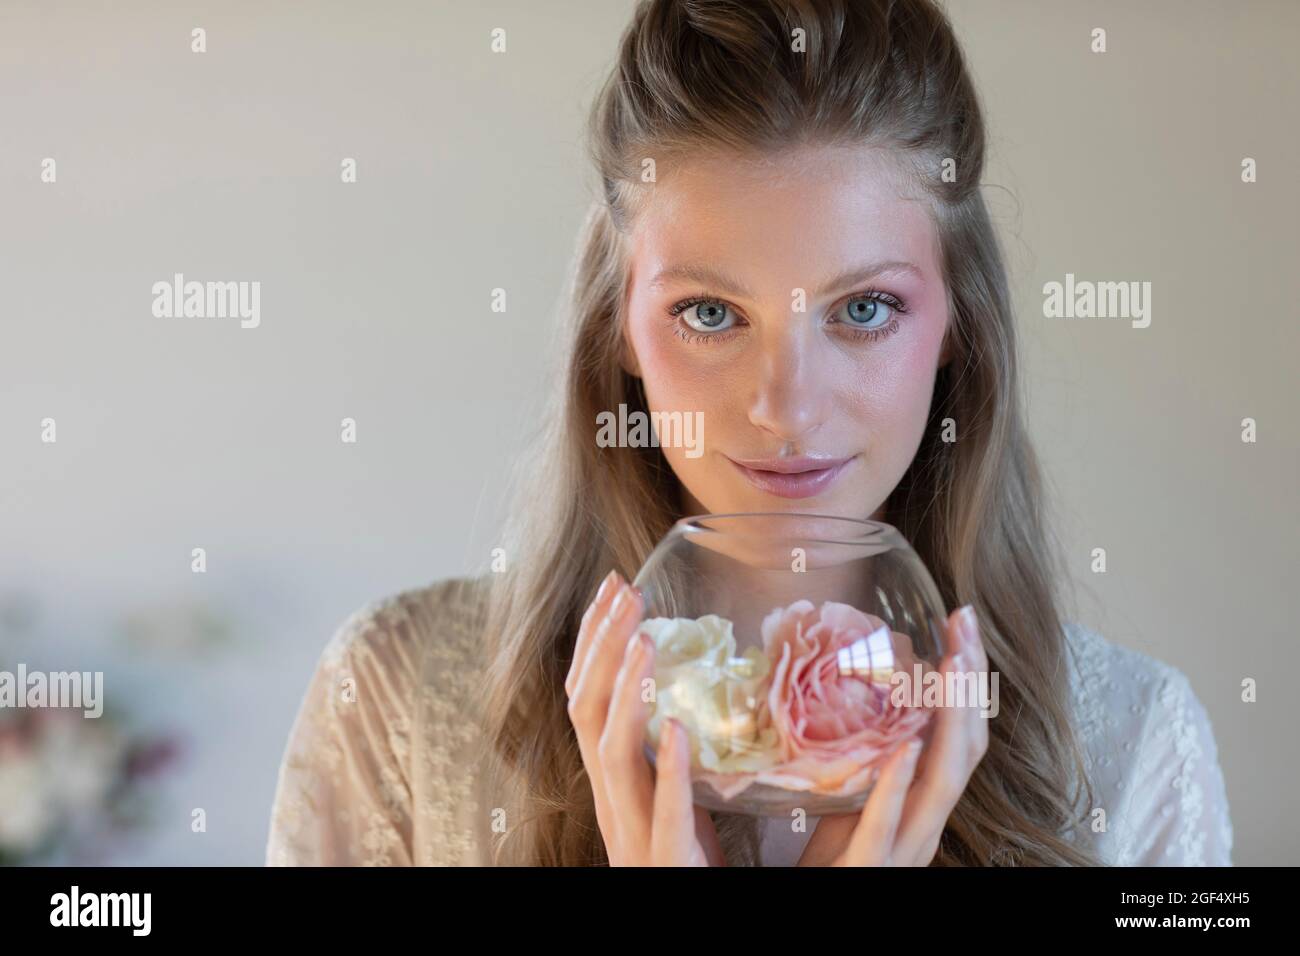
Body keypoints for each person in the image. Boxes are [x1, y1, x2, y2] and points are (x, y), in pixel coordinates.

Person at [266, 0, 1232, 866]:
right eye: (712, 314)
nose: (786, 408)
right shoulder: (396, 700)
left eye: (863, 311)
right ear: (621, 333)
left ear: (957, 328)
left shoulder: (1138, 747)